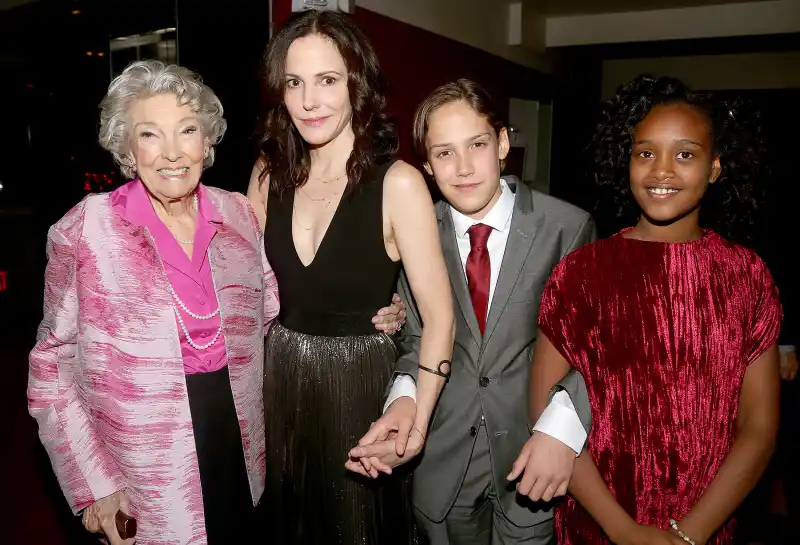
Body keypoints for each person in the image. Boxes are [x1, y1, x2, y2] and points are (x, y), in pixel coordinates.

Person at [26, 59, 404, 545]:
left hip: (242, 439)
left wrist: (377, 304)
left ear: (207, 143)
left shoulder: (239, 214)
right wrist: (95, 485)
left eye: (186, 131)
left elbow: (281, 304)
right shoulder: (85, 230)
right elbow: (51, 367)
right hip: (144, 458)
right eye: (149, 135)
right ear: (126, 148)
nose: (170, 153)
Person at [531, 75, 782, 545]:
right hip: (596, 524)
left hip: (707, 526)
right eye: (645, 152)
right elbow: (543, 408)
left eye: (684, 154)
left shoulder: (747, 276)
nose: (661, 170)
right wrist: (623, 530)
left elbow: (759, 428)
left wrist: (689, 534)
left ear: (714, 168)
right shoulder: (581, 272)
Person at [350, 79, 596, 545]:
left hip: (531, 453)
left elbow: (591, 345)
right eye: (443, 153)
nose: (463, 168)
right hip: (441, 460)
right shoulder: (416, 233)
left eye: (477, 145)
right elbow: (415, 338)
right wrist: (404, 398)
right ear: (426, 164)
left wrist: (561, 429)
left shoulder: (567, 228)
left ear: (503, 143)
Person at [246, 10, 454, 545]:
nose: (309, 100)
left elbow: (440, 320)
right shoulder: (269, 174)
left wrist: (416, 420)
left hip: (360, 385)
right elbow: (241, 291)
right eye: (295, 83)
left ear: (357, 85)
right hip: (280, 379)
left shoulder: (399, 183)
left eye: (328, 80)